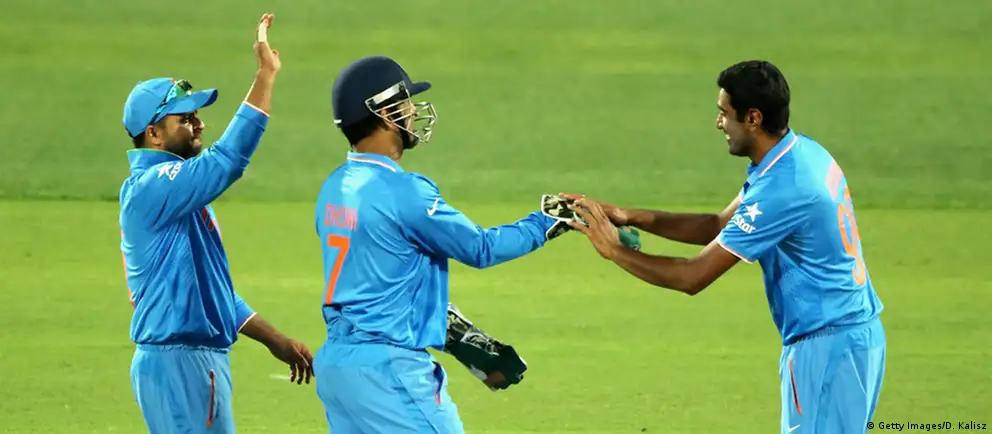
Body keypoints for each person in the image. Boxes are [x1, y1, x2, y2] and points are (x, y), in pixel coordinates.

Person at [564, 60, 886, 434]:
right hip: (852, 337)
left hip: (826, 348)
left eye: (724, 113)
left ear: (753, 118)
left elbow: (693, 276)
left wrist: (614, 250)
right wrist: (628, 215)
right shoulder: (800, 155)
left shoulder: (784, 188)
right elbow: (718, 225)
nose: (719, 123)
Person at [311, 55, 560, 433]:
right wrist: (548, 221)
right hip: (389, 372)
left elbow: (378, 277)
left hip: (337, 368)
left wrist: (448, 328)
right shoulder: (405, 191)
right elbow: (481, 248)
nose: (413, 111)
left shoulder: (332, 189)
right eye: (405, 102)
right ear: (384, 114)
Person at [118, 14, 313, 434]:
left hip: (187, 360)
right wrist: (265, 76)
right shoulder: (154, 187)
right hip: (180, 363)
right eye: (185, 119)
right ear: (154, 133)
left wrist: (274, 339)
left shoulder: (176, 195)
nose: (199, 124)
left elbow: (213, 292)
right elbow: (227, 161)